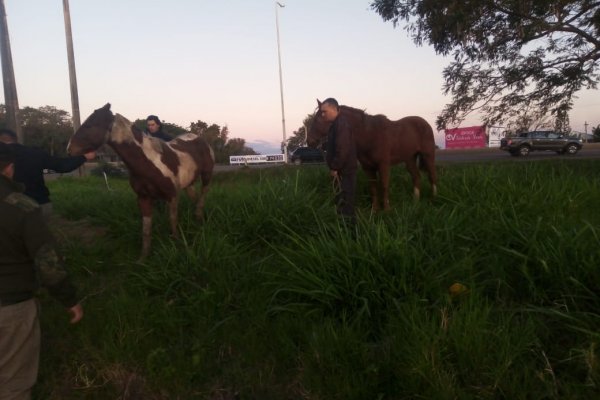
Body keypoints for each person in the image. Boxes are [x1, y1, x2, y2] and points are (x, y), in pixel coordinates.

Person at [0, 142, 83, 399]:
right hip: (11, 306)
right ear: (10, 168)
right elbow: (47, 263)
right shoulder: (21, 206)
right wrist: (69, 299)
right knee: (13, 383)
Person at [0, 129, 95, 218]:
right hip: (40, 205)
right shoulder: (34, 153)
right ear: (15, 140)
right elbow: (63, 166)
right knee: (38, 234)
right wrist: (84, 157)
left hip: (8, 208)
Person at [320, 98, 358, 223]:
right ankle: (343, 228)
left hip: (344, 171)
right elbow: (338, 145)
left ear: (333, 109)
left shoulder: (341, 124)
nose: (323, 114)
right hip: (343, 171)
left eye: (324, 111)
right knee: (341, 199)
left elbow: (342, 148)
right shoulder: (337, 124)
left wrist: (335, 167)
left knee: (346, 201)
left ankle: (350, 232)